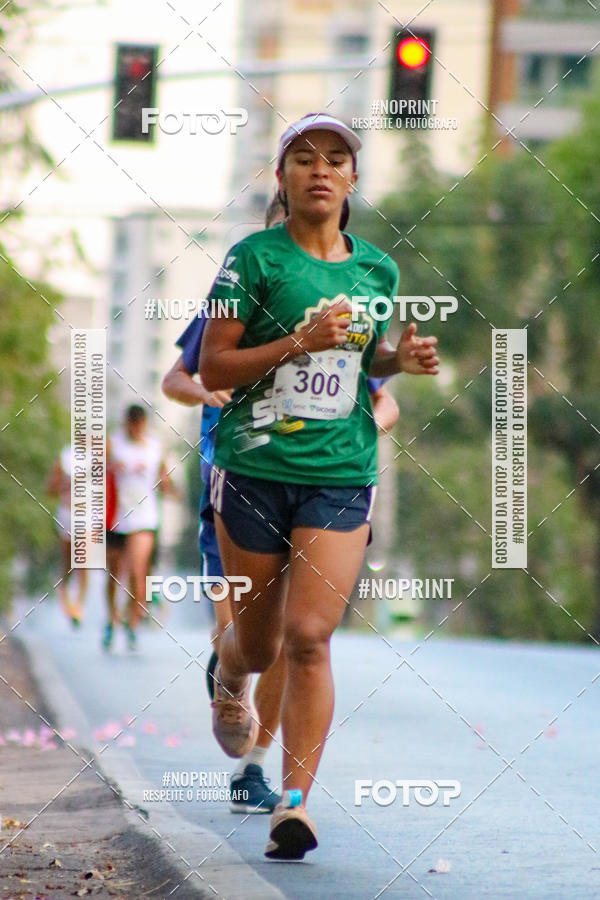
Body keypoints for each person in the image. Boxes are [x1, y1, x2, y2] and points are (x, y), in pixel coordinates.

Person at [198, 113, 439, 860]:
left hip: (339, 472)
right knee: (261, 646)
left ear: (353, 181)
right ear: (284, 178)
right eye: (304, 159)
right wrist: (297, 340)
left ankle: (293, 805)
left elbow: (359, 368)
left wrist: (400, 359)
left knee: (310, 639)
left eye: (336, 159)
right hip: (257, 470)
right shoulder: (251, 260)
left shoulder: (377, 271)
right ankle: (228, 673)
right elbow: (213, 370)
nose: (321, 170)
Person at [104, 405, 175, 652]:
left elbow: (166, 481)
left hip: (144, 518)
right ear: (126, 423)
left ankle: (133, 622)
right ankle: (112, 619)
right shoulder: (113, 445)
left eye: (139, 424)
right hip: (116, 517)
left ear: (144, 424)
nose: (135, 428)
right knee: (114, 574)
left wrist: (166, 485)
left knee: (137, 569)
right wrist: (110, 469)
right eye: (131, 424)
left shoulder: (155, 449)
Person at [47, 444, 88, 627]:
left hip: (88, 516)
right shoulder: (66, 457)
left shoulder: (100, 456)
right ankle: (64, 596)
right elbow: (50, 488)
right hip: (68, 514)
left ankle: (78, 606)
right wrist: (67, 482)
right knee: (69, 563)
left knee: (84, 561)